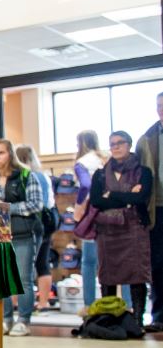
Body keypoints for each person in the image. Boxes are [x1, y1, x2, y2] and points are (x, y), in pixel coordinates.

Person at [0, 139, 44, 336]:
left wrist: (6, 207)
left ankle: (24, 320)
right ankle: (5, 319)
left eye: (1, 153)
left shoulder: (26, 175)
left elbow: (36, 204)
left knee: (24, 280)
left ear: (10, 154)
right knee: (3, 280)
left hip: (24, 233)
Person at [91, 130, 153, 327]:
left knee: (137, 274)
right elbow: (96, 201)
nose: (116, 147)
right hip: (107, 231)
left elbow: (141, 199)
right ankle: (109, 317)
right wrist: (127, 196)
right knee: (107, 275)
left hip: (134, 228)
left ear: (129, 144)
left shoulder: (143, 172)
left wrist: (112, 195)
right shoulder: (100, 175)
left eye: (120, 142)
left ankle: (137, 319)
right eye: (112, 144)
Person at [16, 144, 57, 311]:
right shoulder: (43, 176)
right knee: (43, 263)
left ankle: (18, 303)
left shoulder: (25, 177)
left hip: (30, 224)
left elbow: (35, 204)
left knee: (22, 267)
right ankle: (43, 302)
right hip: (47, 223)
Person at [135, 94, 163, 332]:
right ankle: (159, 315)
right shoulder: (147, 138)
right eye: (159, 107)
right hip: (158, 208)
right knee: (158, 263)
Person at [73, 129, 107, 308]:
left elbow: (85, 185)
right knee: (113, 259)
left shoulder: (82, 163)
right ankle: (125, 304)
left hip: (92, 213)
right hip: (111, 210)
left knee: (89, 262)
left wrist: (79, 208)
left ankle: (89, 305)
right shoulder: (105, 159)